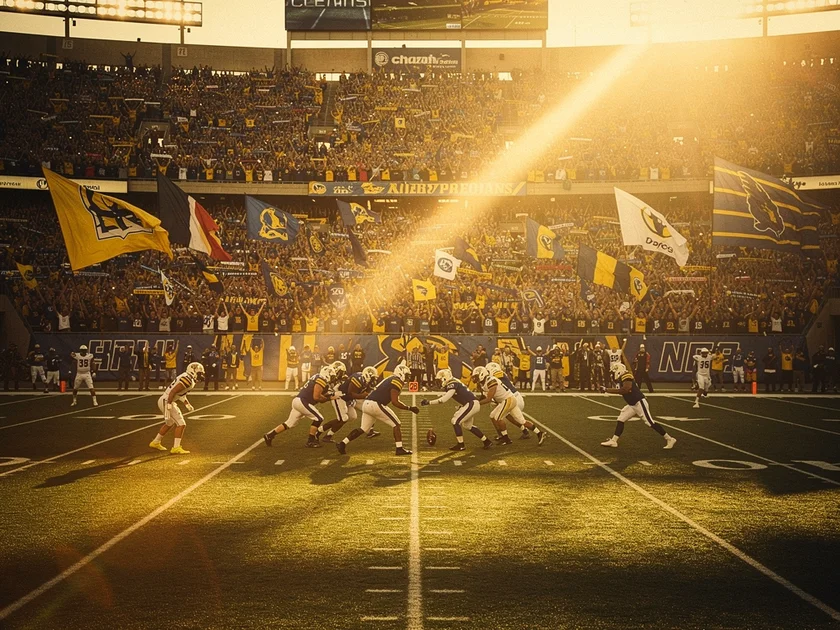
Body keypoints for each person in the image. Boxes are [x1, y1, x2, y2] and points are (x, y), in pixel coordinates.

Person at [335, 363, 418, 456]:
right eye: (406, 375)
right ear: (401, 374)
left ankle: (342, 443)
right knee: (396, 424)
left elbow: (395, 400)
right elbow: (395, 402)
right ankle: (399, 449)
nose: (407, 378)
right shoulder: (396, 381)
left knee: (363, 429)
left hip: (367, 404)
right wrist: (409, 408)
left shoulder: (390, 379)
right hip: (376, 404)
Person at [600, 363, 676, 450]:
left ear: (619, 370)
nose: (613, 373)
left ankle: (670, 439)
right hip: (632, 405)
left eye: (614, 371)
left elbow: (625, 389)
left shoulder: (626, 376)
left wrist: (607, 390)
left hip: (639, 402)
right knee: (621, 419)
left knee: (650, 422)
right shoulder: (621, 379)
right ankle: (614, 441)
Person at [263, 366, 341, 448]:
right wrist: (329, 398)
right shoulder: (321, 379)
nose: (332, 378)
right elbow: (316, 397)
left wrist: (328, 395)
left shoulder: (317, 377)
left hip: (298, 401)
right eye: (332, 376)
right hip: (303, 402)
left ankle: (269, 435)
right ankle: (310, 441)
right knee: (319, 418)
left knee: (290, 423)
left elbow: (318, 395)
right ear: (327, 374)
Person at [473, 365, 545, 446]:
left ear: (482, 374)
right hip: (507, 400)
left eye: (476, 376)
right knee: (520, 421)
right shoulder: (485, 383)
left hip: (508, 400)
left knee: (497, 417)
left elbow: (489, 399)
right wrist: (475, 399)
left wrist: (476, 403)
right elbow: (484, 396)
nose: (474, 378)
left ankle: (506, 438)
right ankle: (539, 433)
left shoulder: (491, 381)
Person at [421, 368, 491, 451]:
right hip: (471, 404)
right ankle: (486, 441)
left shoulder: (452, 383)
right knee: (467, 426)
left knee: (455, 421)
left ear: (444, 378)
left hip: (471, 404)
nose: (439, 383)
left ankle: (461, 445)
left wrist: (429, 402)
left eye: (439, 380)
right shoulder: (454, 382)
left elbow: (444, 400)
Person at [149, 362, 204, 454]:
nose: (200, 375)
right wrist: (169, 404)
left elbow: (180, 394)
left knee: (169, 423)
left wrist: (187, 404)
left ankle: (155, 442)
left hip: (165, 400)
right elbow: (173, 392)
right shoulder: (187, 379)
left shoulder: (188, 378)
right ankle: (176, 447)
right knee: (181, 423)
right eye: (199, 373)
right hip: (167, 401)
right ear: (193, 371)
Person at [317, 366, 379, 443]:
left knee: (352, 416)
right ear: (367, 376)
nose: (374, 379)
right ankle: (319, 431)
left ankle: (328, 436)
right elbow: (351, 393)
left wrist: (367, 393)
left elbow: (363, 393)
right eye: (373, 378)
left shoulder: (366, 381)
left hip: (348, 398)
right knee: (343, 418)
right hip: (340, 396)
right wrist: (363, 395)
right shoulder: (357, 379)